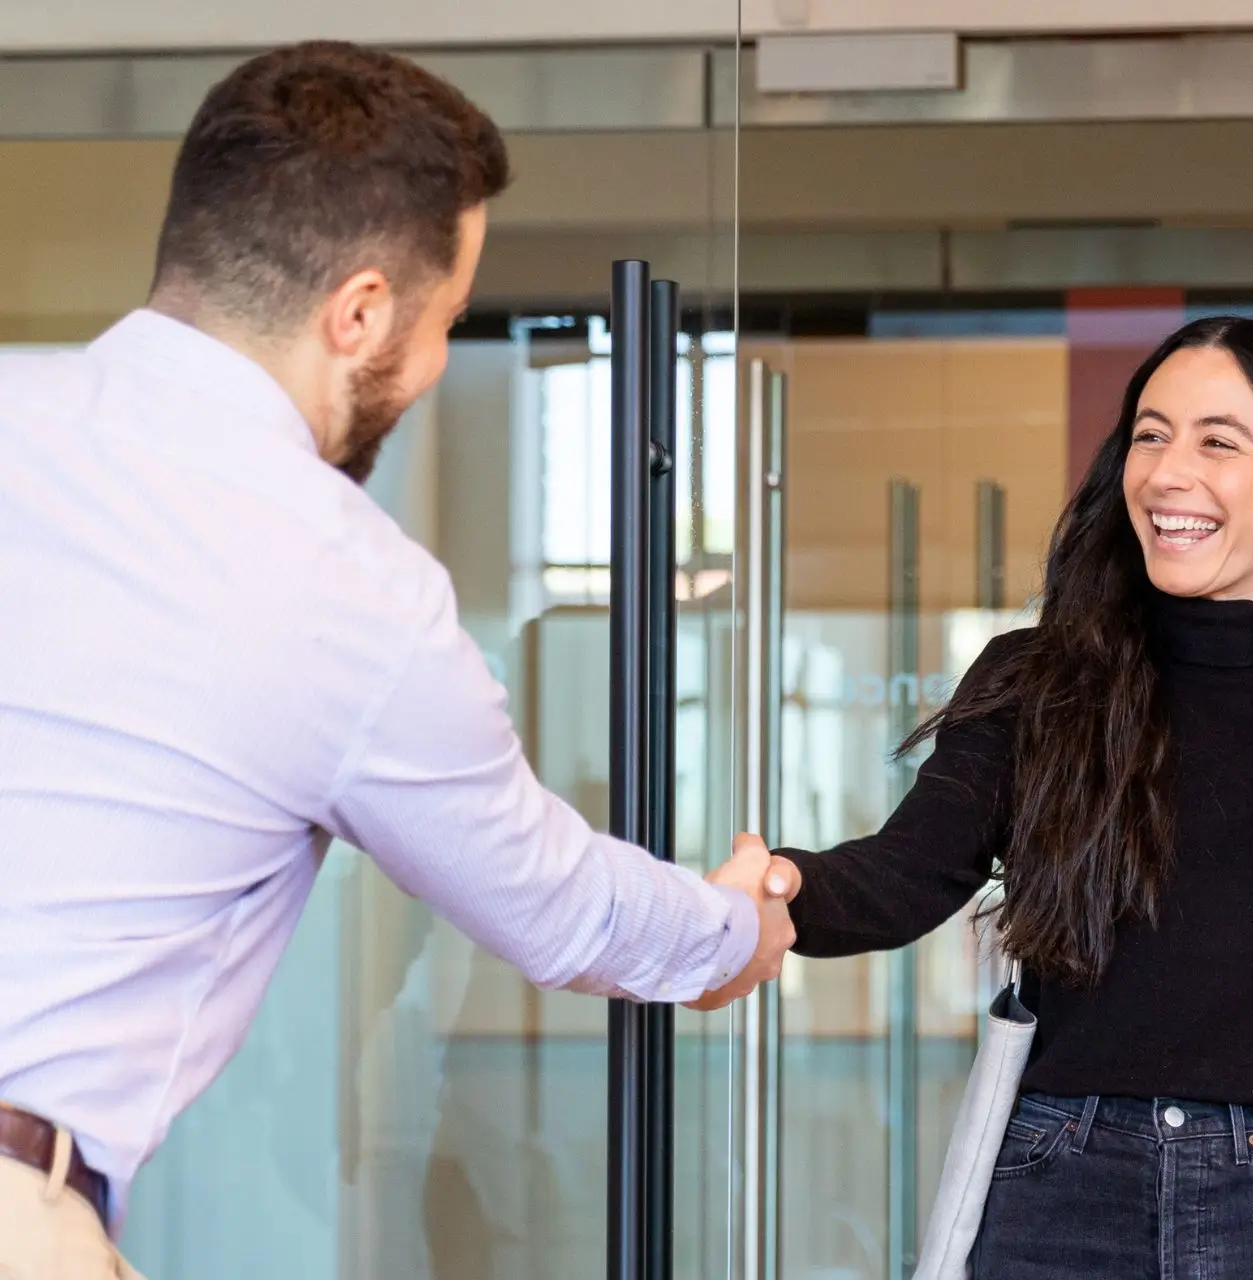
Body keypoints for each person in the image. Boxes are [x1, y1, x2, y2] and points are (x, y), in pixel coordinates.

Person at [0, 41, 789, 1277]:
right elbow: (554, 902)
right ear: (360, 310)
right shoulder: (341, 580)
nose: (430, 366)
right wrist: (734, 927)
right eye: (446, 324)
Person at [751, 315, 1253, 1279]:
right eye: (1150, 435)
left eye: (1218, 440)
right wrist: (778, 885)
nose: (1166, 474)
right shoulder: (1040, 681)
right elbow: (909, 872)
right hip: (1060, 1193)